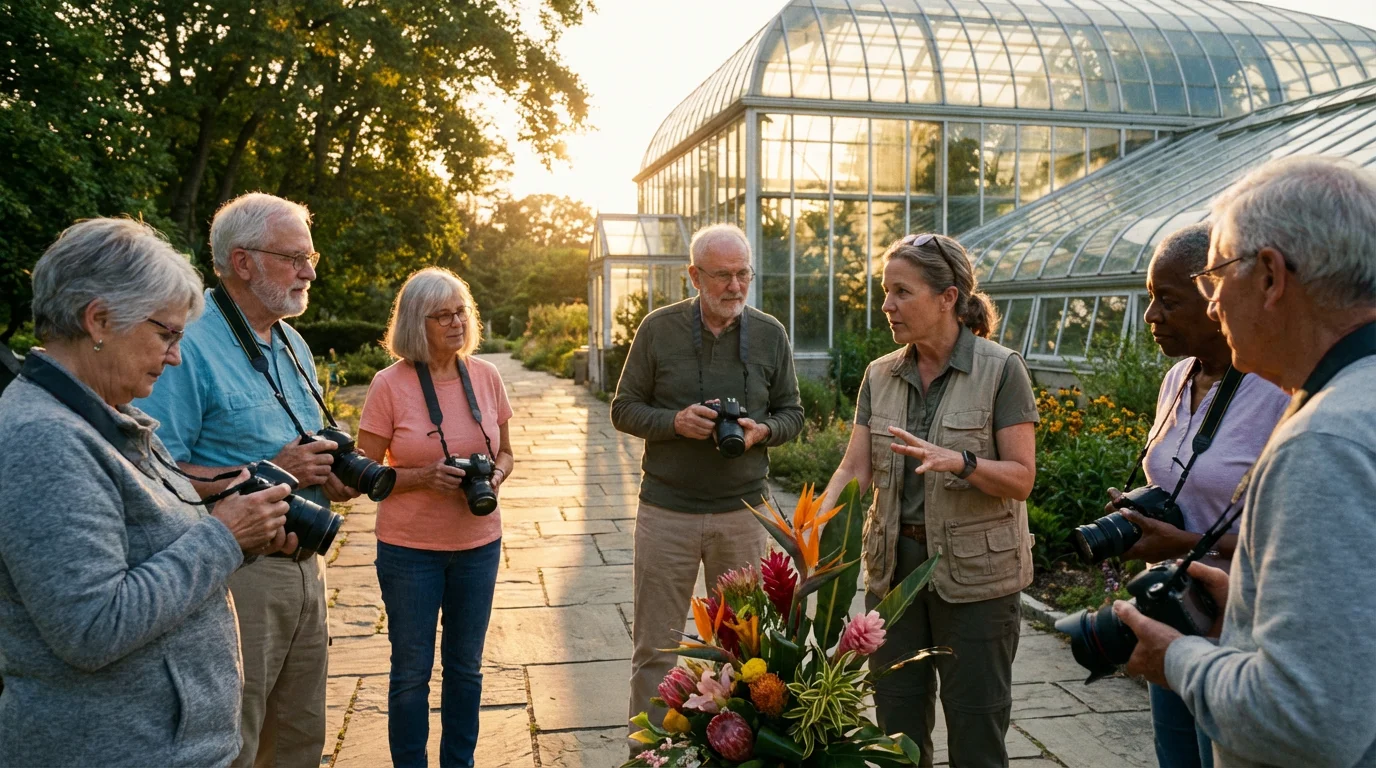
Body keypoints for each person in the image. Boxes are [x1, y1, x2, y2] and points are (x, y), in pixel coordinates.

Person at [0, 218, 295, 767]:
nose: (177, 356)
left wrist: (249, 535)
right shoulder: (43, 437)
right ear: (100, 320)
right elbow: (91, 627)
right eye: (166, 335)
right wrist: (224, 538)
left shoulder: (112, 417)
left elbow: (158, 548)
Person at [1117, 156, 1376, 767]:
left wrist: (1173, 657)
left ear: (1269, 276)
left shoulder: (1326, 440)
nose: (1211, 307)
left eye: (1216, 277)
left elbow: (1308, 721)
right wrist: (1247, 606)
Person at [136, 193, 358, 768]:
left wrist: (328, 473)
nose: (309, 271)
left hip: (307, 562)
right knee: (239, 737)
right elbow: (155, 468)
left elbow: (305, 444)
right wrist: (274, 467)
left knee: (300, 737)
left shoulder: (290, 339)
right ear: (243, 261)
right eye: (294, 258)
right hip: (240, 574)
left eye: (312, 257)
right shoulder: (188, 344)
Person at [819, 233, 1038, 768]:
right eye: (885, 291)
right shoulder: (880, 374)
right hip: (893, 577)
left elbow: (1021, 478)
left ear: (948, 297)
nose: (887, 305)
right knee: (896, 732)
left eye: (901, 292)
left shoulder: (1001, 369)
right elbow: (854, 468)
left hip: (977, 583)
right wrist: (812, 526)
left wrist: (960, 461)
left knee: (976, 731)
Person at [612, 223, 804, 735]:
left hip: (743, 514)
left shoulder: (770, 333)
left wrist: (763, 430)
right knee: (655, 647)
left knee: (745, 649)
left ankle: (737, 750)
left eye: (744, 274)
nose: (735, 287)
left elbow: (793, 414)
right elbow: (623, 409)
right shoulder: (657, 328)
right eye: (722, 276)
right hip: (666, 512)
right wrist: (674, 423)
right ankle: (648, 753)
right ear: (694, 275)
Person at [1110, 223, 1289, 768]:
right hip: (1175, 609)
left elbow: (1293, 536)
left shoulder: (1278, 389)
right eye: (1148, 300)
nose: (1151, 317)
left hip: (1240, 623)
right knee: (1177, 755)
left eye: (1167, 301)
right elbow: (1179, 480)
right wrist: (1138, 511)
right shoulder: (1178, 379)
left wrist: (1182, 540)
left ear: (1217, 300)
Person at [356, 268, 514, 768]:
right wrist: (424, 477)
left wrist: (495, 477)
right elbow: (363, 471)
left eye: (461, 312)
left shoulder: (486, 376)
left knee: (466, 669)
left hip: (478, 545)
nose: (455, 323)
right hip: (410, 551)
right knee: (410, 672)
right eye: (441, 315)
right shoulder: (389, 385)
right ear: (414, 324)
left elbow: (508, 453)